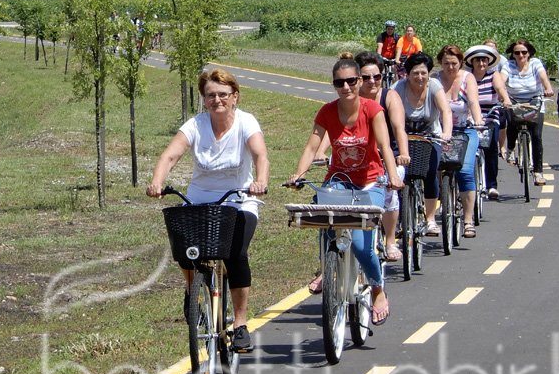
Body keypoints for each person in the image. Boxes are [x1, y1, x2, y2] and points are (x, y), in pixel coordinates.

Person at [147, 68, 270, 353]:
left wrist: (260, 181)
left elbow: (260, 154)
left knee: (236, 252)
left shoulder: (246, 122)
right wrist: (157, 182)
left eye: (223, 95)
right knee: (185, 250)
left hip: (239, 199)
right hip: (200, 200)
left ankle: (239, 324)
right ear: (204, 99)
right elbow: (170, 155)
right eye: (211, 95)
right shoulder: (195, 125)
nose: (217, 100)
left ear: (235, 97)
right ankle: (193, 291)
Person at [289, 54, 403, 325]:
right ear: (334, 85)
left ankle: (377, 289)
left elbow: (385, 147)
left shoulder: (372, 110)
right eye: (340, 83)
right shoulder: (327, 112)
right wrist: (299, 174)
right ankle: (328, 268)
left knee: (364, 249)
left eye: (351, 81)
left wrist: (394, 175)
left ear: (360, 81)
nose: (346, 87)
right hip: (339, 180)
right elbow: (311, 146)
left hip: (370, 182)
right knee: (321, 214)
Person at [355, 51, 409, 261]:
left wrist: (403, 153)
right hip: (361, 159)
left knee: (389, 191)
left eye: (376, 77)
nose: (372, 82)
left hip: (390, 157)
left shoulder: (390, 96)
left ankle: (390, 240)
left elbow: (399, 128)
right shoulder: (352, 99)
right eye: (366, 77)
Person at [393, 52, 453, 236]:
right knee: (397, 175)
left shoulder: (434, 86)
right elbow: (387, 112)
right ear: (407, 74)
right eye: (415, 73)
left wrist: (446, 133)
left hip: (430, 137)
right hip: (404, 137)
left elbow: (446, 112)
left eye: (423, 73)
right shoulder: (398, 88)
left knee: (430, 172)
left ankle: (430, 219)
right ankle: (399, 218)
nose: (420, 77)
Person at [434, 45, 485, 238]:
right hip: (440, 132)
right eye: (446, 63)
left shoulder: (467, 78)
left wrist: (478, 120)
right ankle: (443, 198)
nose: (450, 67)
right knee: (434, 167)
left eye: (454, 63)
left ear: (461, 63)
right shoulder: (435, 80)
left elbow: (473, 102)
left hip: (465, 130)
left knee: (464, 171)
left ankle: (468, 220)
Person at [500, 40, 555, 186]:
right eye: (517, 52)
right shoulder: (508, 65)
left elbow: (543, 77)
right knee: (511, 122)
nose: (520, 55)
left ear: (529, 53)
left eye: (524, 52)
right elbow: (501, 80)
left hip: (534, 101)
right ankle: (510, 148)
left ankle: (538, 172)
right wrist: (501, 93)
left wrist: (548, 88)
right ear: (513, 54)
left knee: (536, 136)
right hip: (513, 100)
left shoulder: (535, 63)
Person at [464, 43, 512, 200]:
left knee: (491, 147)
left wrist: (505, 99)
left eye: (484, 60)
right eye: (478, 61)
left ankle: (491, 185)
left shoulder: (493, 75)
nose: (481, 64)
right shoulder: (467, 76)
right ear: (472, 62)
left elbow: (500, 89)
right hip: (470, 117)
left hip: (490, 115)